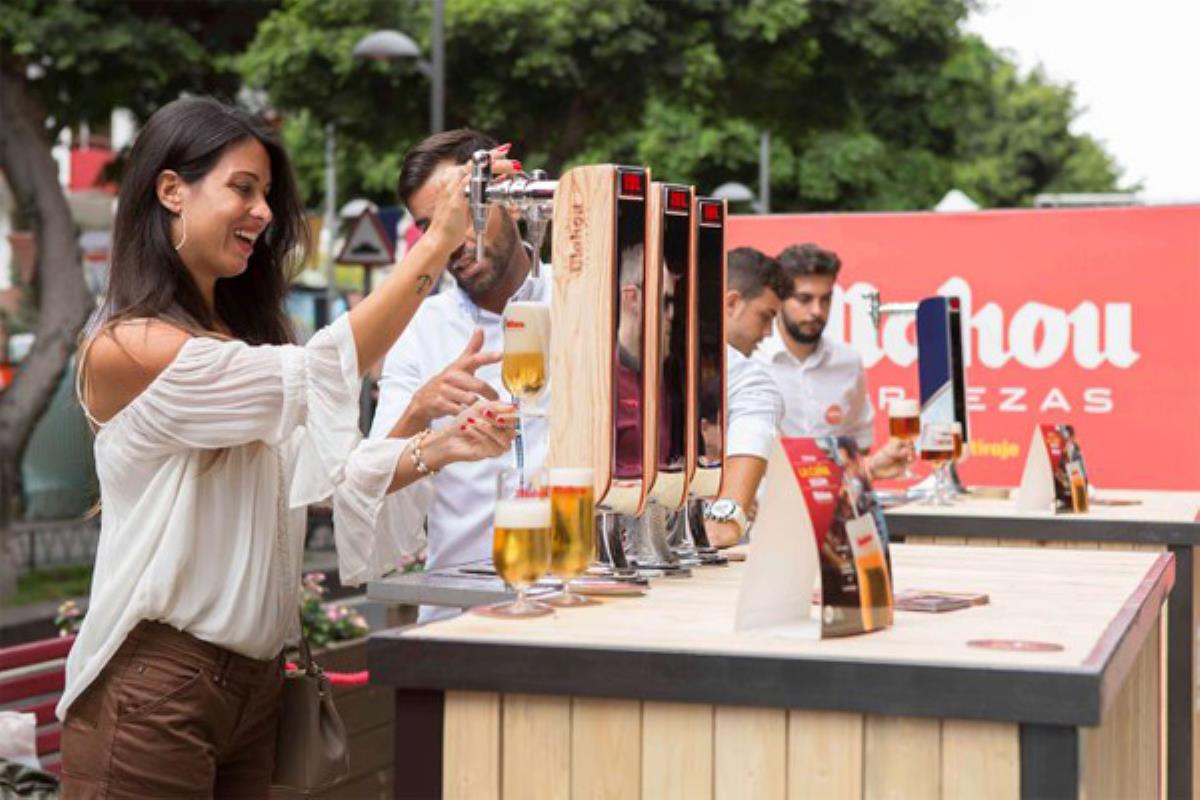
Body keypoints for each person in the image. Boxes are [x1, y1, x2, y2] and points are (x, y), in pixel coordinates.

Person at [58, 97, 515, 798]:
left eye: (266, 194)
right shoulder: (129, 345)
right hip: (158, 688)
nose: (265, 212)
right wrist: (436, 240)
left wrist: (433, 438)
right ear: (172, 189)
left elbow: (325, 483)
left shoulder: (241, 345)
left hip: (254, 689)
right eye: (243, 188)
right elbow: (323, 371)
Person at [370, 129, 545, 614]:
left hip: (577, 612)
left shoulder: (583, 302)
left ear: (511, 198)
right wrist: (420, 411)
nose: (452, 241)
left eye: (466, 215)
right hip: (458, 619)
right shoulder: (418, 328)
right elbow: (374, 478)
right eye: (432, 227)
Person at [754, 242, 913, 479]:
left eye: (825, 299)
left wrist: (872, 466)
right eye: (804, 299)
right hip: (764, 510)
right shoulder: (751, 360)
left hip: (832, 511)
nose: (817, 311)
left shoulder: (848, 362)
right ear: (779, 299)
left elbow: (858, 444)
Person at [702, 247, 789, 548]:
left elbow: (757, 413)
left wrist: (729, 508)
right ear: (732, 302)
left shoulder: (749, 377)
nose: (767, 333)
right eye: (765, 317)